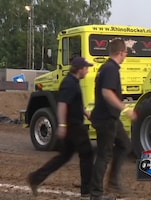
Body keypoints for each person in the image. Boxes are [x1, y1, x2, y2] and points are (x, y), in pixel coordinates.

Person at [27, 57, 94, 198]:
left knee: (64, 156)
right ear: (80, 69)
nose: (88, 70)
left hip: (73, 125)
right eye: (86, 68)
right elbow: (62, 104)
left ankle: (35, 178)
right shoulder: (69, 83)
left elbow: (74, 103)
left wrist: (86, 113)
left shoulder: (73, 82)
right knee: (87, 154)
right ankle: (87, 190)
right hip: (74, 126)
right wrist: (62, 125)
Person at [89, 38, 137, 200]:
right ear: (121, 53)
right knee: (104, 155)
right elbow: (107, 93)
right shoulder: (110, 69)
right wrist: (125, 109)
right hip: (106, 119)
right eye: (125, 53)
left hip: (110, 118)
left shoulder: (107, 68)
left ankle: (113, 182)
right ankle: (96, 193)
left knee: (124, 145)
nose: (126, 56)